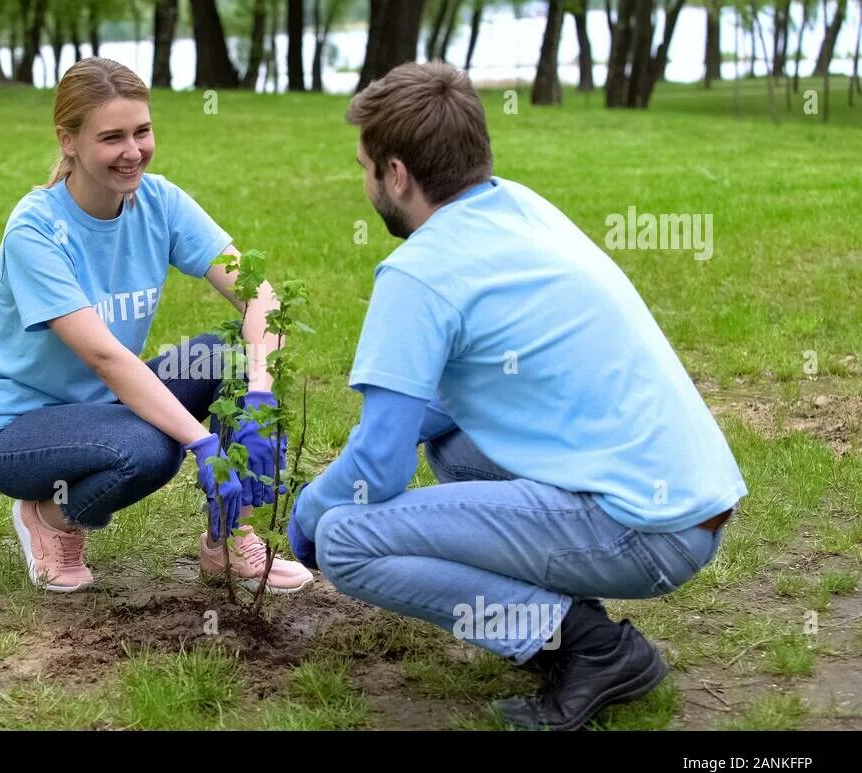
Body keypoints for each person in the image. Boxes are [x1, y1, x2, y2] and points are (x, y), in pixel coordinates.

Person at [286, 61, 746, 730]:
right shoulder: (519, 205)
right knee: (452, 441)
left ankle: (589, 647)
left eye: (364, 168)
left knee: (345, 538)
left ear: (397, 174)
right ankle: (568, 621)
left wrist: (306, 512)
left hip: (646, 531)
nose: (365, 184)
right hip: (690, 501)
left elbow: (376, 473)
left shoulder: (418, 272)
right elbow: (441, 408)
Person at [0, 57, 314, 596]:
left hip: (109, 402)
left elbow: (259, 293)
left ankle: (228, 538)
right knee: (149, 450)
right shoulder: (36, 231)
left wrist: (261, 395)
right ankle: (49, 517)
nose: (133, 152)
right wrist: (202, 442)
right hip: (19, 429)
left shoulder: (160, 202)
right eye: (112, 137)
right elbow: (105, 358)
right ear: (69, 140)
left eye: (142, 131)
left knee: (231, 354)